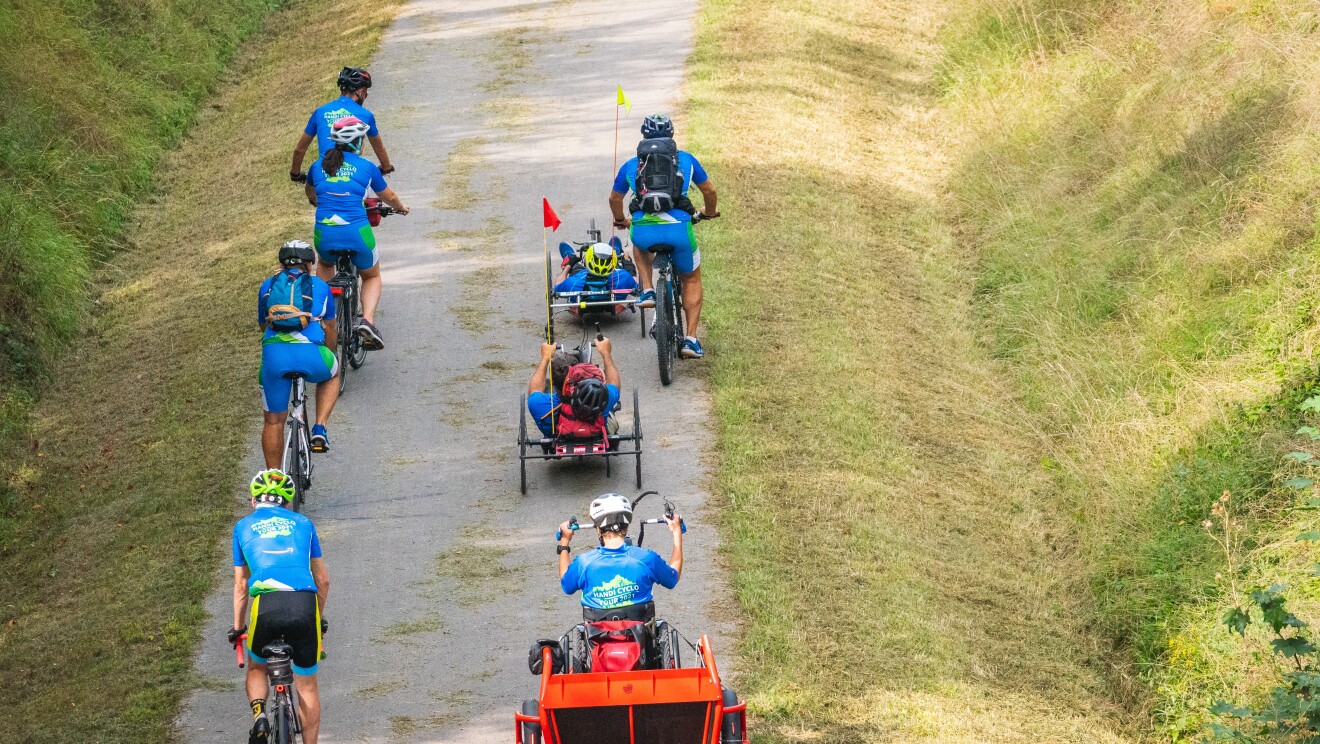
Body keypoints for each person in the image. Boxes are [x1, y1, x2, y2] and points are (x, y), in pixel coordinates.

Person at [228, 469, 330, 744]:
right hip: (304, 603)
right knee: (307, 685)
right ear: (287, 503)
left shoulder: (242, 527)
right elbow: (323, 580)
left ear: (253, 500)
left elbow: (240, 587)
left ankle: (260, 716)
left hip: (266, 604)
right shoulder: (304, 524)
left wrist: (238, 629)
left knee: (257, 667)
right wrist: (317, 619)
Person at [609, 114, 719, 359]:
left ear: (643, 137)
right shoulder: (687, 160)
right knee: (691, 279)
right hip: (679, 230)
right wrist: (709, 212)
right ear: (671, 135)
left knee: (638, 247)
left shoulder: (631, 165)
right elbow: (709, 190)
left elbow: (614, 199)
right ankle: (690, 339)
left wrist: (620, 220)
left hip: (644, 231)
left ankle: (647, 290)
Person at [305, 116, 410, 351]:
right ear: (357, 142)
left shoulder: (317, 166)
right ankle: (368, 321)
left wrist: (317, 201)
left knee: (325, 261)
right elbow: (389, 197)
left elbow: (311, 194)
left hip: (325, 232)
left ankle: (323, 315)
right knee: (372, 275)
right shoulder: (366, 167)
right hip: (357, 233)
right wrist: (400, 208)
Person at [258, 241, 339, 458]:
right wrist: (330, 352)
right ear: (311, 264)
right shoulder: (321, 286)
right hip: (311, 355)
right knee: (332, 374)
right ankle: (320, 427)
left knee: (273, 421)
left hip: (275, 358)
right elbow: (331, 328)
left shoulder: (267, 286)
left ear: (281, 264)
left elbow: (263, 326)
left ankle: (274, 481)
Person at [557, 493, 683, 621]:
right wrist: (677, 532)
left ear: (599, 530)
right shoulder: (647, 558)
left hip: (597, 635)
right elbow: (672, 578)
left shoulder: (584, 563)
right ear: (626, 527)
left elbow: (566, 585)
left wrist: (564, 540)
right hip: (639, 632)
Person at [290, 67, 394, 180]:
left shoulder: (320, 112)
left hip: (323, 172)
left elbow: (299, 150)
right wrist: (386, 168)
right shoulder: (366, 115)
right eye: (366, 91)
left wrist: (295, 174)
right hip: (352, 173)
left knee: (315, 195)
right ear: (361, 91)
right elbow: (379, 148)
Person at [526, 336, 622, 439]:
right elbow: (614, 383)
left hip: (557, 436)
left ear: (554, 382)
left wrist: (545, 358)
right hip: (596, 434)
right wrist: (606, 353)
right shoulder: (601, 398)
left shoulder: (538, 403)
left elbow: (534, 389)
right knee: (609, 409)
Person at [554, 241, 638, 316]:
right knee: (627, 270)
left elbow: (557, 288)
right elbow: (637, 286)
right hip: (615, 300)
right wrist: (627, 262)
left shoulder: (574, 282)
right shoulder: (623, 276)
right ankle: (617, 253)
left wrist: (568, 266)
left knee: (576, 267)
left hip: (580, 298)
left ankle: (570, 257)